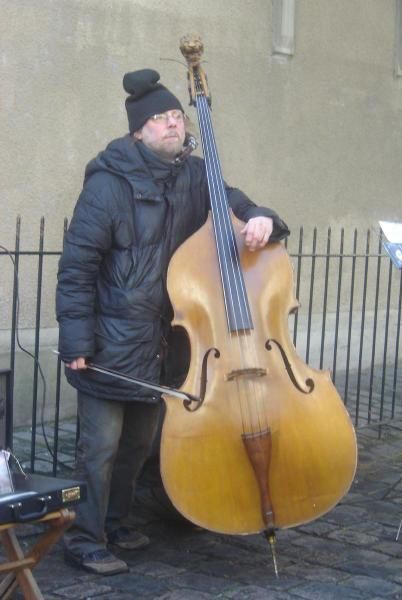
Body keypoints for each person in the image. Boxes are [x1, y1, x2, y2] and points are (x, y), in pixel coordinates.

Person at [56, 68, 289, 575]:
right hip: (111, 342)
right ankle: (83, 536)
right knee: (99, 447)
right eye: (159, 119)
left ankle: (117, 523)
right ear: (138, 131)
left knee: (139, 444)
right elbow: (76, 270)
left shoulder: (195, 176)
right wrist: (76, 340)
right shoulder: (107, 186)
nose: (172, 125)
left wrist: (261, 218)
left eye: (176, 117)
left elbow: (241, 206)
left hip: (168, 342)